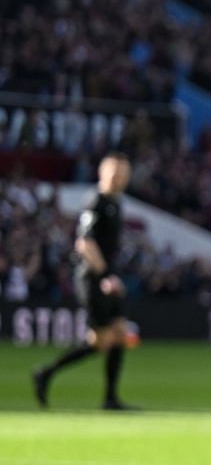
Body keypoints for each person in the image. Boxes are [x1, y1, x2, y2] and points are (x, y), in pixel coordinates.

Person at [32, 153, 137, 410]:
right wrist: (104, 276)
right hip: (92, 279)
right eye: (115, 173)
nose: (119, 178)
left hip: (108, 279)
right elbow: (85, 243)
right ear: (102, 173)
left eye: (123, 174)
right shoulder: (95, 202)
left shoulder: (116, 203)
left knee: (120, 333)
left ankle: (110, 398)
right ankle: (46, 373)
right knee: (100, 341)